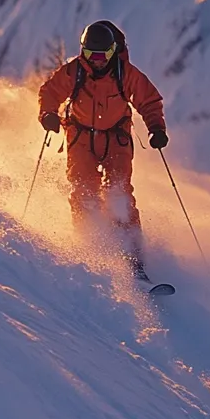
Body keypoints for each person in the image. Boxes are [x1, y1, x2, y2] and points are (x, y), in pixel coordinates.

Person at [37, 21, 167, 267]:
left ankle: (133, 256)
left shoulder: (124, 73)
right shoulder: (74, 71)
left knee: (119, 192)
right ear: (82, 51)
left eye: (103, 54)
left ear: (112, 51)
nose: (97, 60)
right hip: (81, 136)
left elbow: (149, 101)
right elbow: (50, 92)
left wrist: (156, 128)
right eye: (90, 54)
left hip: (116, 137)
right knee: (83, 189)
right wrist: (48, 114)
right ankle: (91, 247)